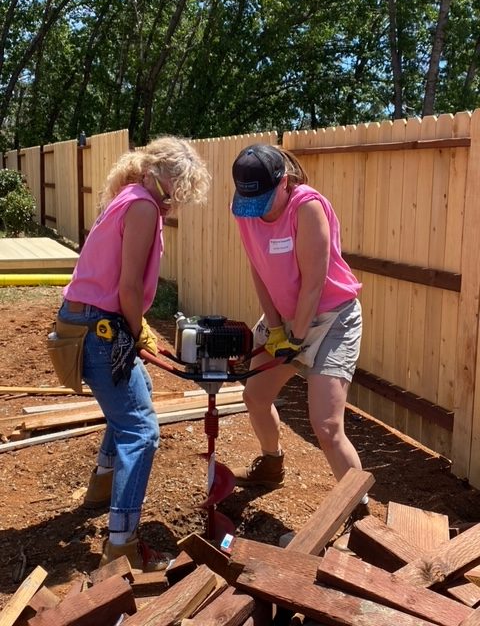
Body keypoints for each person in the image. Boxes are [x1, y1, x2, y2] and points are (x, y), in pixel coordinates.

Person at [55, 136, 210, 571]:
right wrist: (138, 329)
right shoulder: (143, 206)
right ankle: (121, 544)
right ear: (164, 179)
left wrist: (134, 330)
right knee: (141, 432)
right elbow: (126, 288)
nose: (177, 202)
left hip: (88, 319)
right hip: (100, 327)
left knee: (134, 392)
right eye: (179, 191)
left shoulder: (129, 196)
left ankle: (102, 487)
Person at [229, 143, 370, 524]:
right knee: (255, 396)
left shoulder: (307, 207)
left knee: (326, 425)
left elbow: (313, 283)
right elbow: (259, 270)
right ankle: (271, 464)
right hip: (288, 317)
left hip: (331, 319)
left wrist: (295, 339)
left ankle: (360, 517)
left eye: (264, 199)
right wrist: (275, 328)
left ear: (285, 182)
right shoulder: (247, 206)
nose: (257, 209)